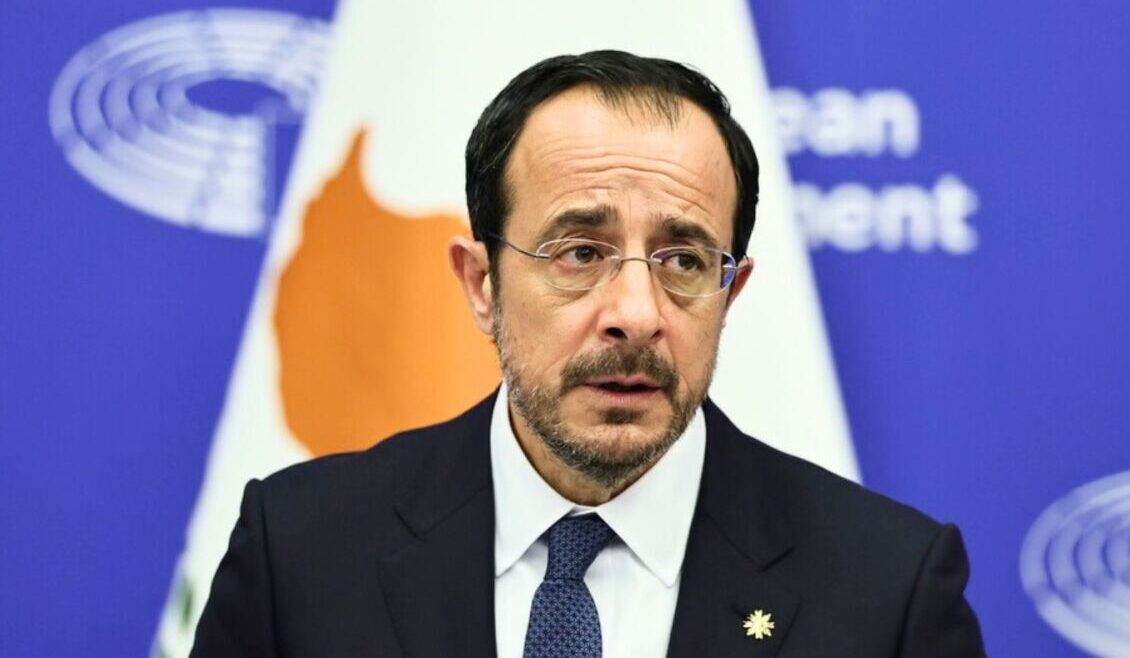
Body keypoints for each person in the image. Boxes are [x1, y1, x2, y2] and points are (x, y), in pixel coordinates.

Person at [190, 50, 986, 657]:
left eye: (683, 261)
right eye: (580, 252)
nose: (636, 315)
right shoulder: (301, 552)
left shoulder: (889, 592)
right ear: (482, 285)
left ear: (730, 294)